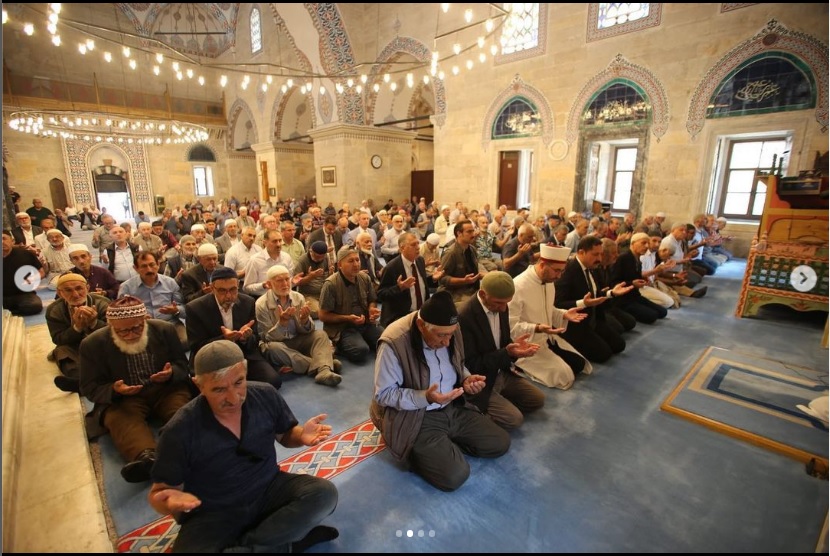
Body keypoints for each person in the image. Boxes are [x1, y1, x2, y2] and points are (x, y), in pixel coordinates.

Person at [148, 340, 339, 552]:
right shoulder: (179, 430)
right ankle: (285, 543)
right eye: (219, 389)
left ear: (245, 370)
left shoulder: (265, 394)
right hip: (214, 511)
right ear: (198, 385)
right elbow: (160, 493)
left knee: (324, 494)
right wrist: (169, 500)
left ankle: (255, 546)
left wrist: (301, 435)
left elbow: (285, 435)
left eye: (239, 382)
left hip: (268, 489)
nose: (233, 397)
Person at [370, 290, 511, 491]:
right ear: (421, 326)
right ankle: (420, 451)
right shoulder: (394, 342)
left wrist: (466, 378)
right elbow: (383, 394)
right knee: (455, 476)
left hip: (453, 406)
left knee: (500, 442)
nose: (447, 342)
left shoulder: (451, 329)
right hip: (417, 416)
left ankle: (442, 445)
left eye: (451, 335)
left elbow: (457, 363)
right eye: (441, 336)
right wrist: (424, 397)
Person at [79, 296, 193, 483]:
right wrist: (114, 390)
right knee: (122, 421)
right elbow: (90, 387)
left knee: (182, 412)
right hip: (124, 399)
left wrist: (171, 373)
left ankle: (185, 444)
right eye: (122, 331)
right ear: (110, 326)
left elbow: (182, 365)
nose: (131, 335)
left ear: (146, 319)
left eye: (136, 328)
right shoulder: (92, 344)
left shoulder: (164, 330)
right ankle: (147, 458)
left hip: (166, 390)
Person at [457, 271, 545, 429]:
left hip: (500, 372)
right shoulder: (464, 317)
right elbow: (470, 364)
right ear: (483, 294)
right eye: (499, 303)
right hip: (481, 380)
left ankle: (498, 399)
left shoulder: (500, 306)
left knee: (537, 400)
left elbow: (501, 345)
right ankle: (473, 410)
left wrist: (514, 350)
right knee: (514, 419)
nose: (504, 309)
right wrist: (506, 353)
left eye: (507, 303)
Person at [508, 244, 592, 389]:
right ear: (542, 265)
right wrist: (538, 328)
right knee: (565, 377)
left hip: (546, 338)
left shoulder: (548, 281)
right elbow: (511, 327)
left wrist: (563, 313)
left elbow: (547, 309)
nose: (559, 276)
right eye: (557, 271)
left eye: (562, 271)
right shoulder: (518, 286)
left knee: (579, 364)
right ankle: (518, 366)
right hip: (526, 344)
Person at [185, 266, 283, 391]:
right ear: (212, 289)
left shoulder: (247, 302)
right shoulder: (195, 308)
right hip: (212, 359)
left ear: (238, 286)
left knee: (273, 381)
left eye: (233, 290)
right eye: (222, 291)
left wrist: (245, 338)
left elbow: (255, 339)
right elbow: (196, 345)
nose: (228, 296)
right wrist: (224, 339)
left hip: (242, 354)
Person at [256, 265, 342, 387]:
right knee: (271, 349)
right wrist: (281, 324)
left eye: (287, 279)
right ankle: (323, 365)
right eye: (279, 281)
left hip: (298, 339)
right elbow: (266, 338)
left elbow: (309, 330)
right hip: (280, 344)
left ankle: (323, 368)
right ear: (269, 285)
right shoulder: (261, 304)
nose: (285, 284)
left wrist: (305, 320)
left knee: (320, 334)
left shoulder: (298, 297)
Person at [554, 236, 633, 363]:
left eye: (601, 254)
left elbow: (595, 295)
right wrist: (583, 303)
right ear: (581, 252)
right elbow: (557, 304)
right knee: (604, 354)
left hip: (593, 319)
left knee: (619, 345)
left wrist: (611, 293)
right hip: (575, 324)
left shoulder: (592, 268)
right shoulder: (568, 271)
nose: (599, 259)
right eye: (595, 254)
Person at [319, 245, 384, 364]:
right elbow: (323, 316)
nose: (356, 264)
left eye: (357, 260)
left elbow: (372, 300)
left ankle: (362, 339)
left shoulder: (364, 278)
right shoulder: (330, 284)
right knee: (360, 351)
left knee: (387, 341)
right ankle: (339, 345)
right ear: (339, 265)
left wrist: (371, 310)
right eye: (350, 261)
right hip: (343, 328)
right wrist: (347, 318)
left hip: (365, 322)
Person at [46, 272, 110, 393]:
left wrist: (94, 323)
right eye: (68, 290)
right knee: (62, 351)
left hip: (100, 345)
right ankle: (80, 381)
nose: (75, 294)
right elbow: (58, 339)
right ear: (60, 293)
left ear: (87, 288)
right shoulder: (54, 310)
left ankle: (86, 385)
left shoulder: (103, 303)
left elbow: (113, 333)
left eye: (79, 288)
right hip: (75, 347)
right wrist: (77, 328)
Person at [118, 251, 188, 347]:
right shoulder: (126, 287)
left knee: (185, 341)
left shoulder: (170, 283)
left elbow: (184, 309)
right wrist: (138, 317)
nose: (149, 269)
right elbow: (120, 314)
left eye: (152, 265)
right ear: (136, 268)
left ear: (158, 265)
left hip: (170, 324)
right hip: (141, 327)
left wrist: (176, 310)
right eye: (144, 266)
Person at [377, 232, 443, 327]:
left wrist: (432, 278)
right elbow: (381, 294)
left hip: (422, 311)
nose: (418, 247)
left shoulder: (420, 260)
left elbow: (420, 284)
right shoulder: (392, 267)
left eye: (417, 243)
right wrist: (399, 288)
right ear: (402, 248)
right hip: (401, 315)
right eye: (413, 244)